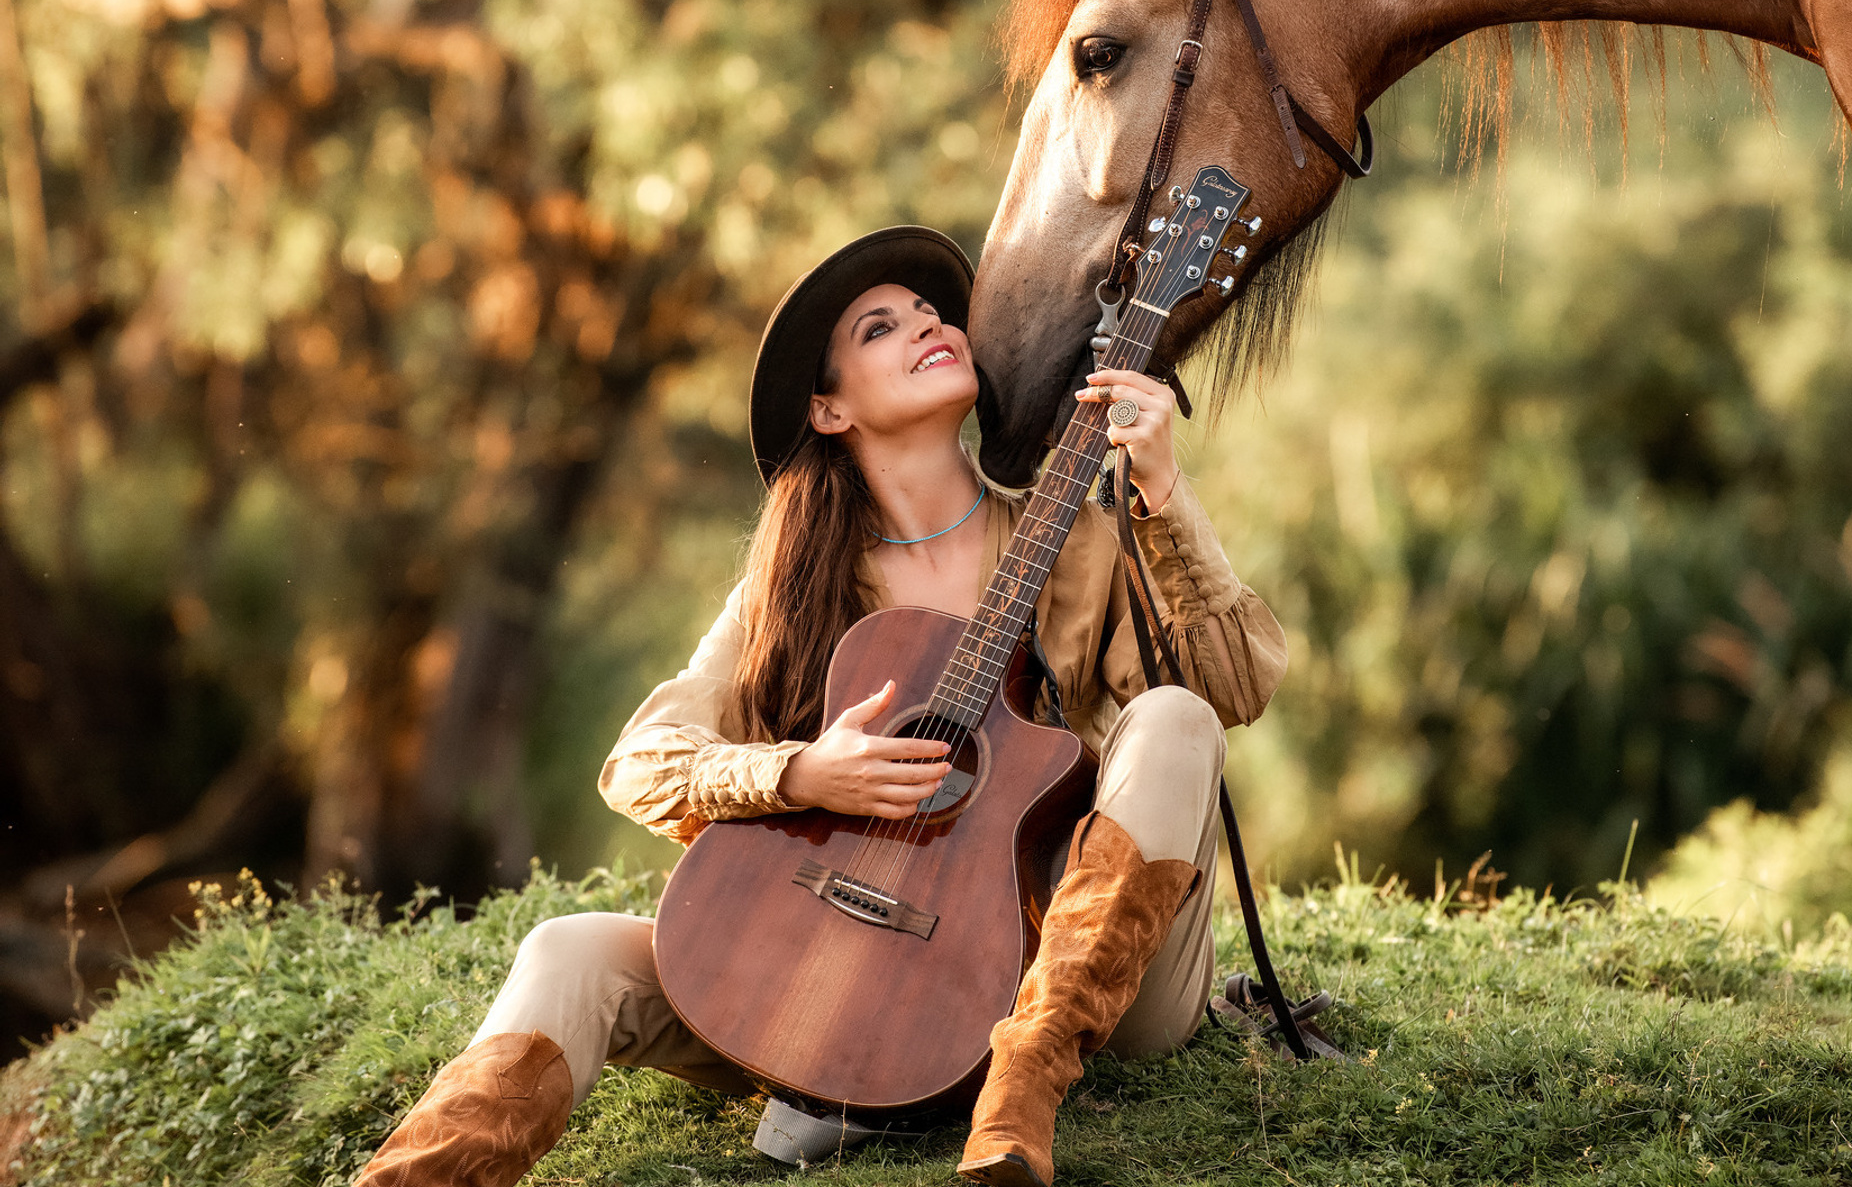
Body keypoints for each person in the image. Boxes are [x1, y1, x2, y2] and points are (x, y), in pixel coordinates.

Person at [356, 225, 1287, 1187]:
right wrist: (802, 772)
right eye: (882, 328)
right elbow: (640, 761)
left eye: (932, 312)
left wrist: (1162, 490)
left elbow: (1235, 687)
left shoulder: (1079, 540)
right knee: (570, 946)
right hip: (832, 978)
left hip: (1068, 978)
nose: (929, 326)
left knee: (1174, 717)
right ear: (829, 409)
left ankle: (1022, 1086)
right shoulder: (797, 585)